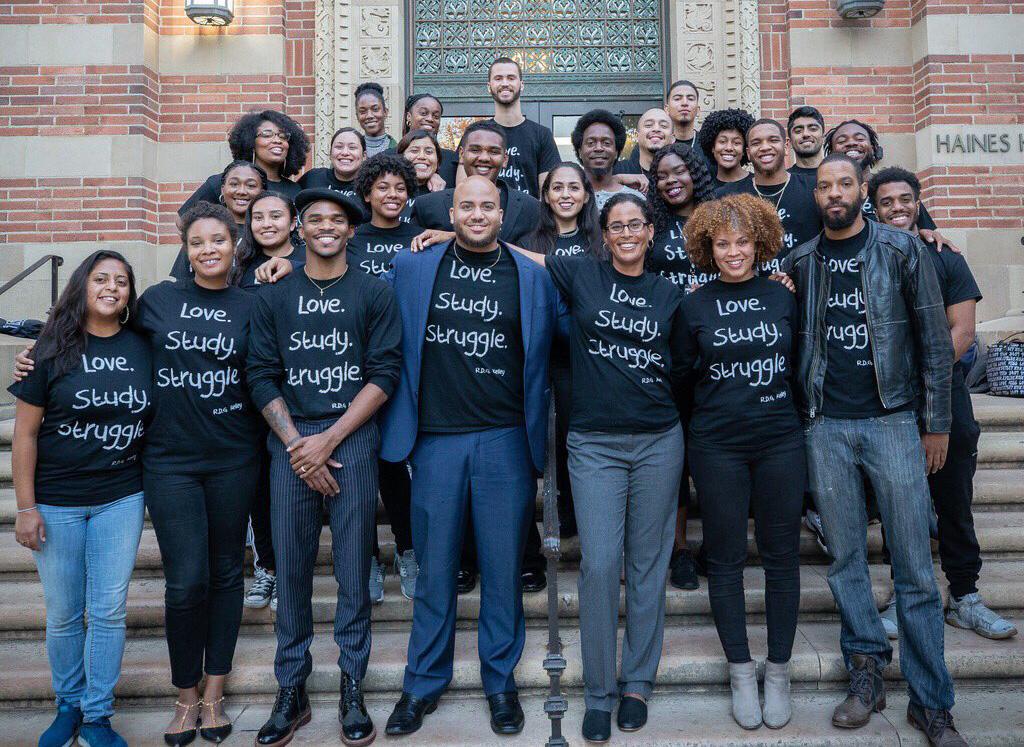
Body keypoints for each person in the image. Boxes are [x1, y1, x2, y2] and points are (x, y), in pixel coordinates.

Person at [781, 154, 966, 746]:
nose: (834, 194)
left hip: (892, 422)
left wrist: (935, 424)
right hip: (827, 427)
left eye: (845, 184)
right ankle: (866, 674)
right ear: (816, 197)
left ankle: (932, 702)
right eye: (825, 186)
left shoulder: (902, 251)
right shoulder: (801, 261)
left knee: (912, 566)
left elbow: (936, 343)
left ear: (863, 189)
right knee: (846, 563)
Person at [380, 176, 564, 738]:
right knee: (435, 570)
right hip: (435, 438)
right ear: (450, 211)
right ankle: (420, 684)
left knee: (503, 568)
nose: (478, 214)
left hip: (506, 439)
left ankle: (500, 683)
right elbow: (362, 309)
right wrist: (281, 268)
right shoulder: (413, 266)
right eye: (468, 206)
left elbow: (574, 328)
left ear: (504, 215)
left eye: (489, 206)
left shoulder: (533, 276)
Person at [514, 193, 689, 742]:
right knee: (599, 562)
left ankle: (637, 681)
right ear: (605, 235)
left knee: (646, 563)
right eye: (618, 226)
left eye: (637, 224)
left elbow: (688, 359)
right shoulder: (582, 276)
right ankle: (597, 690)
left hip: (660, 439)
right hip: (593, 443)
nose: (628, 233)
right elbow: (519, 254)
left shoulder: (671, 293)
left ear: (651, 232)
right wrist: (443, 236)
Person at [247, 187, 401, 747]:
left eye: (337, 220)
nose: (327, 227)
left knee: (353, 572)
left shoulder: (374, 292)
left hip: (352, 439)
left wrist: (328, 439)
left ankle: (352, 684)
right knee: (290, 572)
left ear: (351, 230)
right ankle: (291, 689)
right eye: (315, 220)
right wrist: (296, 443)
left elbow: (384, 373)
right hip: (289, 443)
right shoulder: (273, 294)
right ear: (299, 229)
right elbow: (261, 374)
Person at [9, 251, 151, 747]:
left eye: (121, 281)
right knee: (65, 612)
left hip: (121, 496)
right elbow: (24, 435)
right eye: (100, 278)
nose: (111, 287)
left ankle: (97, 716)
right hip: (57, 500)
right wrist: (26, 508)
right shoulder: (49, 348)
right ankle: (67, 704)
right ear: (82, 286)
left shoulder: (144, 345)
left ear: (130, 293)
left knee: (108, 611)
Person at [870, 167, 1017, 642]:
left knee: (953, 503)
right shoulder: (866, 258)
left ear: (918, 203)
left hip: (945, 397)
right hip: (888, 405)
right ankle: (902, 593)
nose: (897, 208)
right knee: (899, 505)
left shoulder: (946, 257)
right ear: (874, 207)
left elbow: (964, 332)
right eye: (887, 201)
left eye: (905, 199)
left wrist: (922, 378)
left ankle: (965, 596)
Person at [137, 203, 265, 745]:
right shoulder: (157, 301)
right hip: (170, 461)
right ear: (185, 249)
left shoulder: (253, 305)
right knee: (186, 580)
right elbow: (99, 337)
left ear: (235, 244)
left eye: (218, 240)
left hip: (235, 457)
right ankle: (184, 696)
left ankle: (214, 696)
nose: (208, 250)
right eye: (196, 242)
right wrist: (38, 360)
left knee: (226, 572)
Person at [681, 194, 804, 730]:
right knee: (726, 559)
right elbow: (682, 379)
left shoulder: (785, 298)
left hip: (780, 440)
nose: (734, 252)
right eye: (723, 243)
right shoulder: (693, 305)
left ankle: (777, 669)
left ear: (761, 243)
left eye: (743, 241)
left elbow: (800, 367)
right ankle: (739, 670)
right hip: (717, 446)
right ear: (708, 248)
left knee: (782, 558)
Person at [645, 141, 716, 592]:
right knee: (674, 459)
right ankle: (678, 549)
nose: (671, 181)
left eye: (679, 172)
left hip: (717, 349)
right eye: (662, 176)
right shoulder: (651, 224)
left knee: (710, 455)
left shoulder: (720, 217)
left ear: (696, 173)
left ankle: (716, 544)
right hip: (667, 352)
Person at [351, 153, 421, 603]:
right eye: (383, 188)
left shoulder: (422, 239)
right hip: (354, 369)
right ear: (366, 194)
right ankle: (366, 558)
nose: (391, 195)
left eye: (399, 188)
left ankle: (409, 551)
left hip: (407, 367)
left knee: (396, 466)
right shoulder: (350, 240)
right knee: (359, 472)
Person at [527, 162, 604, 539]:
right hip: (543, 352)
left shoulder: (600, 242)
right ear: (546, 196)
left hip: (585, 355)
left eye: (574, 187)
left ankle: (577, 508)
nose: (566, 195)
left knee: (578, 434)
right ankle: (555, 505)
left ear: (586, 195)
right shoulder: (531, 241)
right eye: (557, 188)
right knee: (548, 435)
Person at [409, 120, 541, 247]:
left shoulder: (530, 208)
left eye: (493, 151)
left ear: (505, 159)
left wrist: (453, 237)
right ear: (461, 154)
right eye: (475, 150)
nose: (484, 158)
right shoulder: (427, 206)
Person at [717, 118, 822, 269]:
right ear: (748, 152)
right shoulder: (727, 196)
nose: (765, 147)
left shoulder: (813, 189)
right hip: (751, 289)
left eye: (772, 140)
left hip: (805, 288)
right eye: (756, 143)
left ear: (786, 146)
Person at [179, 110, 306, 216]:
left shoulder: (295, 190)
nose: (277, 140)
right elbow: (184, 220)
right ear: (250, 142)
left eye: (283, 136)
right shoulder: (224, 183)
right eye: (267, 135)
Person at [170, 160, 267, 281]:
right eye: (234, 184)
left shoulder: (267, 233)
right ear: (222, 189)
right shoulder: (202, 230)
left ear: (262, 193)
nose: (242, 191)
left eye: (251, 186)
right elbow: (183, 283)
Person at [481, 57, 561, 198]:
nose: (505, 83)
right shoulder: (477, 133)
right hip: (486, 216)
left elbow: (548, 193)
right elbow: (463, 185)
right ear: (489, 86)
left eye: (511, 78)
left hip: (529, 217)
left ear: (521, 85)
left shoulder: (542, 135)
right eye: (498, 78)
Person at [571, 109, 645, 210]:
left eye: (606, 143)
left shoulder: (635, 200)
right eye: (591, 143)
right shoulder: (567, 198)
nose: (598, 148)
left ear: (616, 152)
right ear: (579, 151)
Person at [398, 93, 459, 186]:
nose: (430, 119)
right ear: (408, 117)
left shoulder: (452, 160)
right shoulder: (389, 157)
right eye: (423, 113)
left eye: (436, 116)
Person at [299, 127, 367, 202]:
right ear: (330, 154)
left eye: (352, 147)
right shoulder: (313, 178)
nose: (345, 152)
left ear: (364, 156)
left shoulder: (370, 184)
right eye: (339, 147)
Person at [614, 107, 675, 184]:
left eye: (663, 126)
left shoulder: (681, 174)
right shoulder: (618, 171)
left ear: (673, 138)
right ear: (637, 136)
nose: (656, 129)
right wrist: (617, 179)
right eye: (648, 125)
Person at [697, 108, 754, 191]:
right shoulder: (704, 190)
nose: (729, 148)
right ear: (712, 147)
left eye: (736, 143)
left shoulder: (756, 184)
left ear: (744, 150)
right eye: (722, 141)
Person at [396, 128, 443, 205]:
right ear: (400, 157)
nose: (422, 156)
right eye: (414, 151)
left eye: (429, 152)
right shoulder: (389, 192)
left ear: (437, 160)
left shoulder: (447, 196)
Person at [665, 79, 705, 162]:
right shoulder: (658, 144)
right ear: (667, 109)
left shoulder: (709, 146)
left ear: (698, 110)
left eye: (690, 99)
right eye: (677, 99)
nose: (684, 103)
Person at [354, 82, 396, 156]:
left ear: (385, 112)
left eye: (375, 109)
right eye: (363, 111)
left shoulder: (399, 151)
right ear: (357, 116)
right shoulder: (350, 152)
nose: (369, 116)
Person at [787, 106, 825, 178]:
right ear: (790, 141)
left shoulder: (839, 176)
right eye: (798, 131)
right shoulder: (784, 180)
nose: (805, 134)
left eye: (813, 129)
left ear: (823, 136)